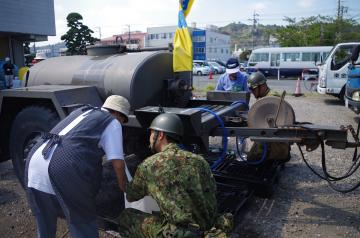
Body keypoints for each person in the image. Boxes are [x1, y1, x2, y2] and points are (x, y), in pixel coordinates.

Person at [25, 95, 130, 238]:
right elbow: (118, 164)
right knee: (83, 223)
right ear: (118, 114)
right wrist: (125, 188)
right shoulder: (112, 122)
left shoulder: (82, 111)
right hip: (63, 168)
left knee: (45, 225)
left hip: (35, 162)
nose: (121, 124)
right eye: (123, 121)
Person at [118, 113, 232, 237]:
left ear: (160, 135)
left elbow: (131, 196)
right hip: (210, 227)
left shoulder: (149, 166)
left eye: (151, 133)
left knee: (127, 217)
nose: (150, 137)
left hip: (183, 234)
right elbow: (211, 191)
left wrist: (122, 179)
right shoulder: (199, 160)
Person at [247, 71, 290, 161]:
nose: (252, 92)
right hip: (270, 138)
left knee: (252, 160)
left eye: (253, 89)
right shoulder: (266, 97)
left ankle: (277, 157)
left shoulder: (270, 99)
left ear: (262, 86)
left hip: (273, 140)